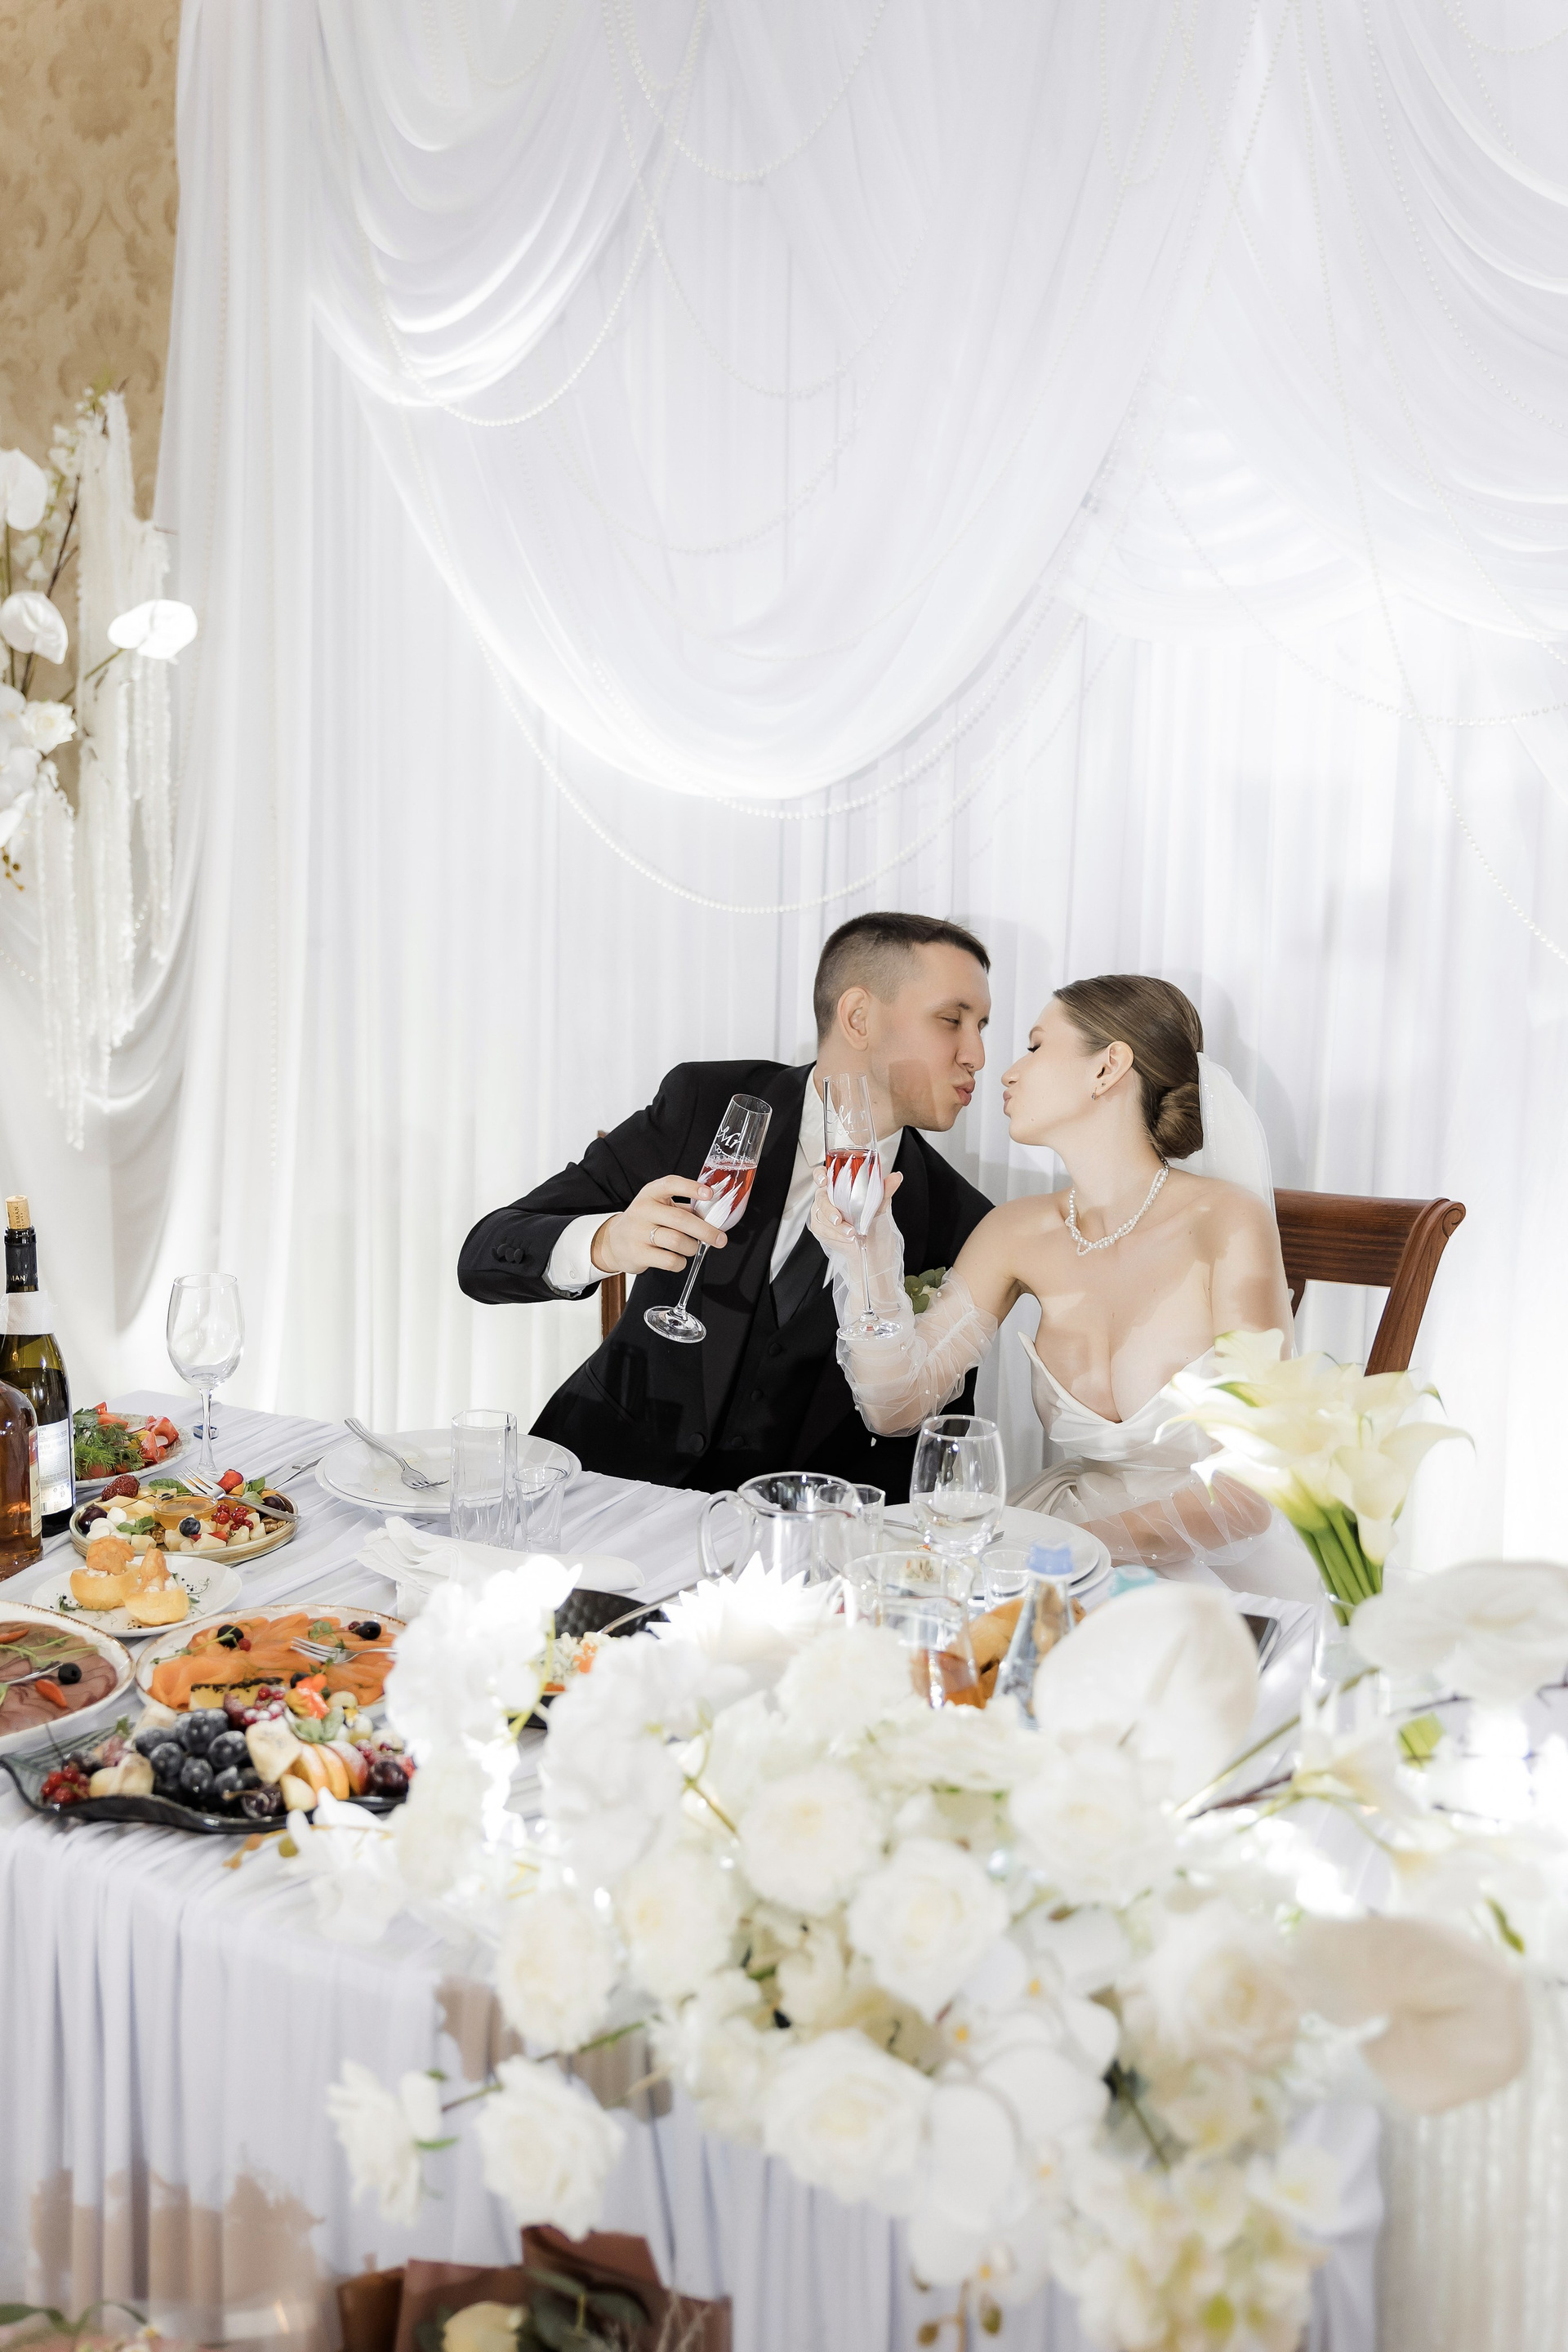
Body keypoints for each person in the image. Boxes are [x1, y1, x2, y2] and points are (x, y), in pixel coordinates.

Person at [811, 973, 1321, 1599]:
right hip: (1055, 1545)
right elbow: (897, 1409)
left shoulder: (1227, 1221)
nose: (1006, 1072)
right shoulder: (1015, 1232)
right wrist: (866, 1258)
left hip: (1201, 1562)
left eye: (1035, 1046)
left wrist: (1055, 1554)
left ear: (1108, 1067)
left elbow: (1252, 1487)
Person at [458, 913, 996, 1499]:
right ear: (858, 1017)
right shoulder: (706, 1104)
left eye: (982, 1027)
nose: (977, 1054)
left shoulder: (963, 1218)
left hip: (790, 1531)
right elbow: (485, 1255)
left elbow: (931, 1442)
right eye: (952, 1020)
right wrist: (606, 1242)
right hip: (601, 1485)